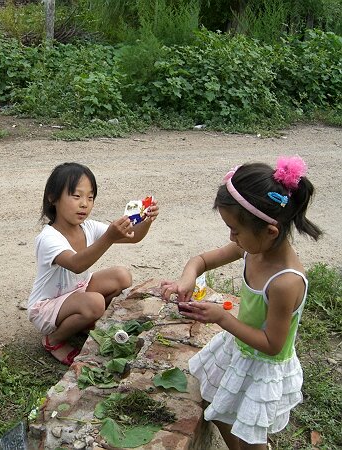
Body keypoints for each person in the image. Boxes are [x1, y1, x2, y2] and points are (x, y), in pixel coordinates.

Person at [160, 156, 322, 449]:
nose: (231, 236)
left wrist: (222, 319)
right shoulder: (253, 247)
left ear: (270, 231)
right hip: (241, 349)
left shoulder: (285, 282)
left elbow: (273, 344)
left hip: (264, 364)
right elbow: (201, 260)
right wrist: (187, 280)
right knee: (214, 399)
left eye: (235, 229)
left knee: (251, 436)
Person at [28, 162, 159, 365]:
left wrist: (146, 220)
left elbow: (132, 237)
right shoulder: (48, 238)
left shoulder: (87, 227)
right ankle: (53, 339)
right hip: (48, 306)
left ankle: (83, 322)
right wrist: (108, 237)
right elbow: (76, 264)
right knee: (96, 302)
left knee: (122, 276)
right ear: (53, 198)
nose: (84, 204)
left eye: (90, 197)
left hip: (77, 292)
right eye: (77, 196)